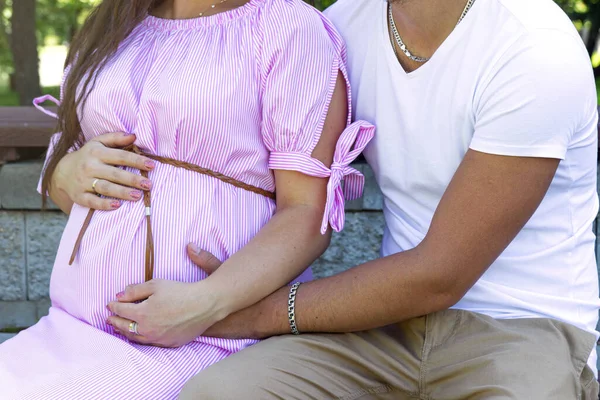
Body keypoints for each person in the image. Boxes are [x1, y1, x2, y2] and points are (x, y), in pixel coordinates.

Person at [174, 0, 600, 398]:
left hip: (524, 330)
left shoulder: (533, 48)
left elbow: (441, 275)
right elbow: (208, 123)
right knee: (221, 392)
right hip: (385, 326)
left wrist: (252, 313)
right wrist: (103, 154)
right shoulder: (341, 27)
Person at [0, 0, 374, 398]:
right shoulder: (113, 23)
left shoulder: (287, 27)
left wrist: (205, 303)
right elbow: (70, 188)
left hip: (207, 339)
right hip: (70, 330)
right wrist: (66, 172)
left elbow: (306, 213)